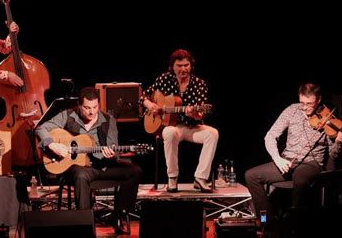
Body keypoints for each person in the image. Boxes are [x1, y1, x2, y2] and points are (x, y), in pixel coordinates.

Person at [35, 87, 142, 234]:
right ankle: (84, 224)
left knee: (134, 171)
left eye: (95, 107)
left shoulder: (108, 120)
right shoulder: (68, 115)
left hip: (104, 165)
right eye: (87, 108)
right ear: (79, 105)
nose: (91, 112)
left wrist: (111, 154)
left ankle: (118, 216)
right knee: (81, 175)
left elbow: (114, 148)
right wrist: (52, 144)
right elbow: (40, 128)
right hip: (79, 167)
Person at [244, 83, 342, 221]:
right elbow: (270, 136)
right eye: (302, 103)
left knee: (300, 177)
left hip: (311, 163)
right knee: (251, 176)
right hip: (287, 160)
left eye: (309, 103)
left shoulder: (327, 119)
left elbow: (333, 155)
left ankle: (294, 225)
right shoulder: (292, 110)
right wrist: (277, 158)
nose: (305, 107)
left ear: (318, 99)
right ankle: (266, 221)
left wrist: (339, 143)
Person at [140, 48, 219, 193]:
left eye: (186, 65)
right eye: (180, 65)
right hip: (173, 127)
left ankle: (200, 178)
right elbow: (143, 96)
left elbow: (200, 114)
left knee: (213, 134)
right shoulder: (164, 79)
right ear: (172, 67)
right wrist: (151, 105)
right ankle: (172, 177)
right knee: (169, 132)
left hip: (192, 127)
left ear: (191, 65)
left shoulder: (199, 84)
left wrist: (194, 113)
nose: (183, 69)